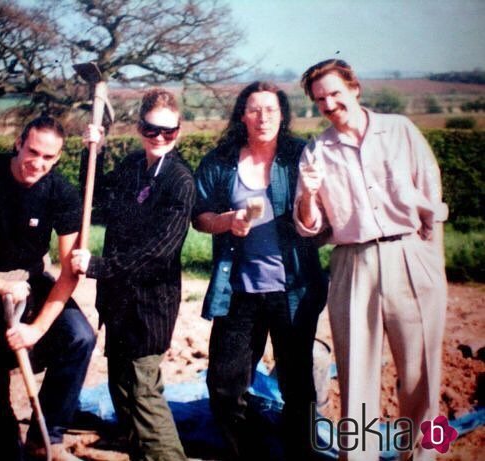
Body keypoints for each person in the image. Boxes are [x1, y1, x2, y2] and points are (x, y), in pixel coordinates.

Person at [295, 59, 448, 461]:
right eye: (320, 99)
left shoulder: (400, 130)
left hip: (410, 256)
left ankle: (424, 454)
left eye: (334, 93)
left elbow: (433, 201)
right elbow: (309, 228)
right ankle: (358, 455)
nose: (328, 104)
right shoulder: (316, 151)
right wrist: (309, 193)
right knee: (356, 373)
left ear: (355, 88)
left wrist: (431, 266)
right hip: (352, 262)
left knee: (423, 374)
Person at [0, 115, 96, 461]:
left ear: (58, 158)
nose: (38, 163)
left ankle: (45, 437)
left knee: (79, 336)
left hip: (31, 279)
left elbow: (70, 271)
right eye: (32, 151)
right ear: (18, 143)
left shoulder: (62, 192)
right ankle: (4, 445)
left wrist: (36, 331)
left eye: (48, 158)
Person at [192, 81, 328, 461]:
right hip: (239, 291)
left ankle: (300, 453)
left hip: (294, 291)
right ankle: (250, 452)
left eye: (271, 109)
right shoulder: (220, 161)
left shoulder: (300, 157)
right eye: (254, 109)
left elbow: (321, 222)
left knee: (297, 386)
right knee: (223, 386)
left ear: (283, 115)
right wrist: (226, 221)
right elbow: (200, 218)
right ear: (242, 115)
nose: (263, 116)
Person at [70, 88, 195, 461]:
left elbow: (158, 255)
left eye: (169, 132)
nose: (160, 138)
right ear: (139, 127)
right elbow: (97, 198)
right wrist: (95, 150)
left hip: (149, 308)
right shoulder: (131, 168)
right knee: (121, 392)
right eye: (152, 130)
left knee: (143, 394)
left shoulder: (179, 182)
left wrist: (97, 267)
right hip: (118, 303)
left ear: (179, 132)